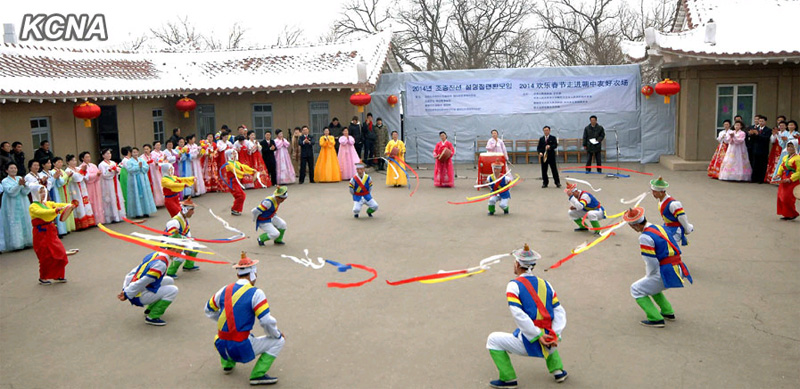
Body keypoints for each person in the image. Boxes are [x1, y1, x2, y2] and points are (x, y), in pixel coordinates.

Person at [486, 244, 568, 388]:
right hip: (551, 341)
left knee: (493, 340)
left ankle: (508, 379)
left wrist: (536, 335)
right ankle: (558, 371)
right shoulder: (546, 284)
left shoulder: (514, 285)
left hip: (532, 342)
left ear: (517, 264)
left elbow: (519, 315)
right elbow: (559, 311)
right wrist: (556, 334)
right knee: (547, 331)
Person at [204, 252, 285, 385]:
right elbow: (266, 321)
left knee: (227, 334)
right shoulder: (256, 293)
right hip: (240, 349)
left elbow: (208, 309)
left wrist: (226, 320)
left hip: (221, 346)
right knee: (279, 341)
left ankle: (227, 364)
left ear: (238, 274)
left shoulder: (224, 289)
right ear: (254, 273)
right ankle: (258, 375)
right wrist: (275, 334)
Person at [623, 207, 693, 328]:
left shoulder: (645, 237)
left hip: (668, 271)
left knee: (636, 289)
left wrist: (649, 275)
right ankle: (667, 311)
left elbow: (651, 262)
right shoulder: (659, 227)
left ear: (635, 226)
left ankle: (655, 318)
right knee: (649, 286)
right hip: (678, 267)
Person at [118, 249, 180, 326]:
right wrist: (127, 293)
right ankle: (152, 317)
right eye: (181, 249)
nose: (181, 252)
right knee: (173, 290)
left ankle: (150, 309)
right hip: (138, 295)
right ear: (173, 249)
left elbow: (133, 273)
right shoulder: (160, 264)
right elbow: (144, 281)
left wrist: (125, 289)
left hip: (137, 289)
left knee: (169, 280)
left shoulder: (155, 254)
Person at [29, 184, 74, 285]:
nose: (43, 194)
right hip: (41, 233)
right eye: (40, 192)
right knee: (45, 256)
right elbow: (43, 213)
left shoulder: (47, 203)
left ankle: (58, 275)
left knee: (60, 253)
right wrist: (56, 211)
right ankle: (43, 277)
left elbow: (57, 205)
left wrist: (69, 205)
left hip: (51, 231)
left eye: (44, 191)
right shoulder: (33, 206)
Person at [650, 176, 694, 246]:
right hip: (667, 228)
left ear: (661, 192)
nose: (653, 194)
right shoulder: (660, 202)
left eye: (655, 192)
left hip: (675, 230)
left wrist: (687, 228)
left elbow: (682, 218)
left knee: (669, 248)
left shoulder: (673, 204)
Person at [1, 162, 33, 251]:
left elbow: (25, 192)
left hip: (23, 202)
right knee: (14, 221)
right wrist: (18, 185)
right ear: (7, 170)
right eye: (11, 168)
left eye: (15, 168)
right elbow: (11, 192)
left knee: (25, 220)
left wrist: (24, 185)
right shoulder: (5, 181)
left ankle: (27, 241)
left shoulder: (19, 178)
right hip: (11, 204)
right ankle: (16, 244)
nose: (13, 170)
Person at [164, 198, 200, 277]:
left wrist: (189, 242)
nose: (193, 212)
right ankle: (170, 272)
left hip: (181, 242)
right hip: (170, 245)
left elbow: (187, 234)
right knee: (181, 255)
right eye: (192, 210)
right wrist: (184, 246)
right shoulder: (174, 222)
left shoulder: (185, 219)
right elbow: (172, 237)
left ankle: (188, 265)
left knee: (195, 246)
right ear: (186, 210)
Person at [65, 154, 97, 229]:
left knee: (85, 203)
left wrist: (83, 172)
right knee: (78, 204)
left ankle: (89, 221)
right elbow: (76, 178)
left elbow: (86, 176)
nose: (74, 162)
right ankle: (80, 223)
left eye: (75, 160)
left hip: (82, 188)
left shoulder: (77, 168)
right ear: (68, 162)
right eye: (72, 160)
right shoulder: (68, 170)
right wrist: (82, 172)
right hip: (74, 189)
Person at [125, 148, 157, 218]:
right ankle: (137, 213)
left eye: (136, 152)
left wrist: (141, 167)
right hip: (134, 180)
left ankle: (146, 211)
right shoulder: (129, 161)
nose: (135, 154)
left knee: (145, 194)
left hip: (143, 179)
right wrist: (138, 167)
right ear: (131, 153)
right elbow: (130, 170)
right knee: (135, 195)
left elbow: (146, 168)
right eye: (133, 152)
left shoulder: (141, 160)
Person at [98, 149, 126, 223]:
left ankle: (119, 215)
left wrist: (116, 171)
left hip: (115, 182)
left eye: (110, 153)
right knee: (110, 198)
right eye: (107, 153)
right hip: (108, 183)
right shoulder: (102, 164)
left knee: (117, 197)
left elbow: (118, 170)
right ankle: (111, 216)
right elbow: (104, 174)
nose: (109, 155)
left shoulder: (113, 162)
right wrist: (111, 171)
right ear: (103, 155)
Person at [224, 149, 255, 216]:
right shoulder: (229, 164)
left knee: (241, 195)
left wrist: (253, 170)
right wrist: (244, 174)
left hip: (236, 182)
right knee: (240, 196)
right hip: (232, 182)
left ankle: (235, 209)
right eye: (233, 153)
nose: (235, 154)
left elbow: (244, 167)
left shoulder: (236, 163)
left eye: (235, 153)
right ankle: (235, 209)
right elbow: (234, 170)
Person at [775, 140, 799, 220]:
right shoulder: (785, 157)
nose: (790, 148)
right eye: (788, 146)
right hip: (784, 178)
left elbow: (799, 171)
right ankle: (787, 214)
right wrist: (778, 174)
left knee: (787, 197)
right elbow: (782, 166)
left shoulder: (798, 158)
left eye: (792, 147)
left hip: (792, 180)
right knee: (781, 196)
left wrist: (791, 179)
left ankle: (792, 213)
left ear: (795, 147)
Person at [79, 152, 104, 225]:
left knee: (98, 200)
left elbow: (97, 174)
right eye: (86, 157)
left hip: (96, 184)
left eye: (89, 157)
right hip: (88, 185)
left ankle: (99, 219)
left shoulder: (93, 165)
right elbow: (86, 177)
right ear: (82, 158)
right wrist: (96, 175)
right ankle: (92, 220)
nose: (88, 158)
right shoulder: (82, 167)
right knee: (91, 200)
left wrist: (98, 175)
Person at [51, 157, 74, 235]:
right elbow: (59, 183)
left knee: (67, 207)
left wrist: (68, 177)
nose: (60, 163)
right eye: (58, 162)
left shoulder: (62, 171)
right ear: (54, 163)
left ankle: (68, 227)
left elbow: (65, 180)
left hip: (65, 190)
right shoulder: (53, 172)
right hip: (60, 191)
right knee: (63, 208)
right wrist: (66, 176)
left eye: (61, 162)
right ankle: (63, 228)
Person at [749, 115, 772, 183]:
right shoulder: (756, 129)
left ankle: (761, 179)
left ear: (765, 122)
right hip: (755, 149)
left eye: (762, 121)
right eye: (760, 121)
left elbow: (766, 138)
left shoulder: (768, 130)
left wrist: (758, 134)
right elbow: (752, 140)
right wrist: (751, 134)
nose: (761, 122)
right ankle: (754, 178)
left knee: (762, 165)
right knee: (755, 164)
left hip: (763, 150)